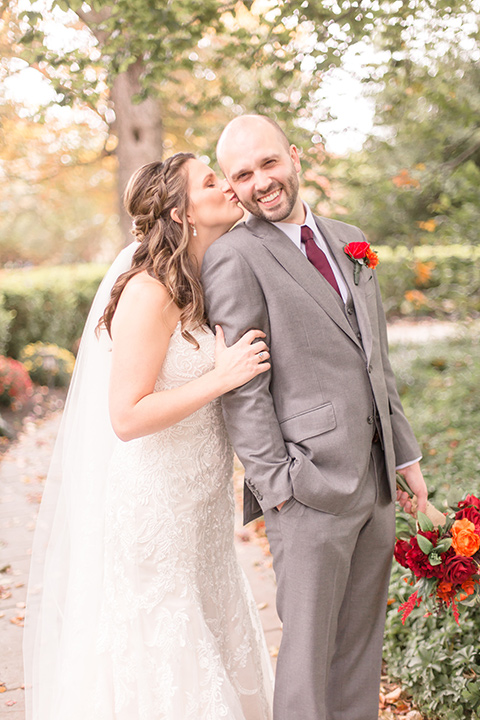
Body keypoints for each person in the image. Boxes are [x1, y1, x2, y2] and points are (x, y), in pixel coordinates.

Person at [24, 153, 274, 720]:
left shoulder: (205, 281)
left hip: (202, 513)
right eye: (211, 182)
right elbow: (127, 416)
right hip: (155, 509)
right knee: (168, 658)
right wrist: (221, 376)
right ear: (181, 213)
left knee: (216, 636)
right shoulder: (149, 292)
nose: (229, 187)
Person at [201, 115, 428, 720]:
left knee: (359, 653)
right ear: (231, 186)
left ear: (294, 157)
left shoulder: (351, 239)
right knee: (305, 663)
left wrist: (405, 458)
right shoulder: (233, 257)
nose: (261, 182)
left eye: (269, 163)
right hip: (307, 490)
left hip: (376, 481)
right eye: (242, 174)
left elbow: (376, 358)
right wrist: (278, 488)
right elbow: (243, 385)